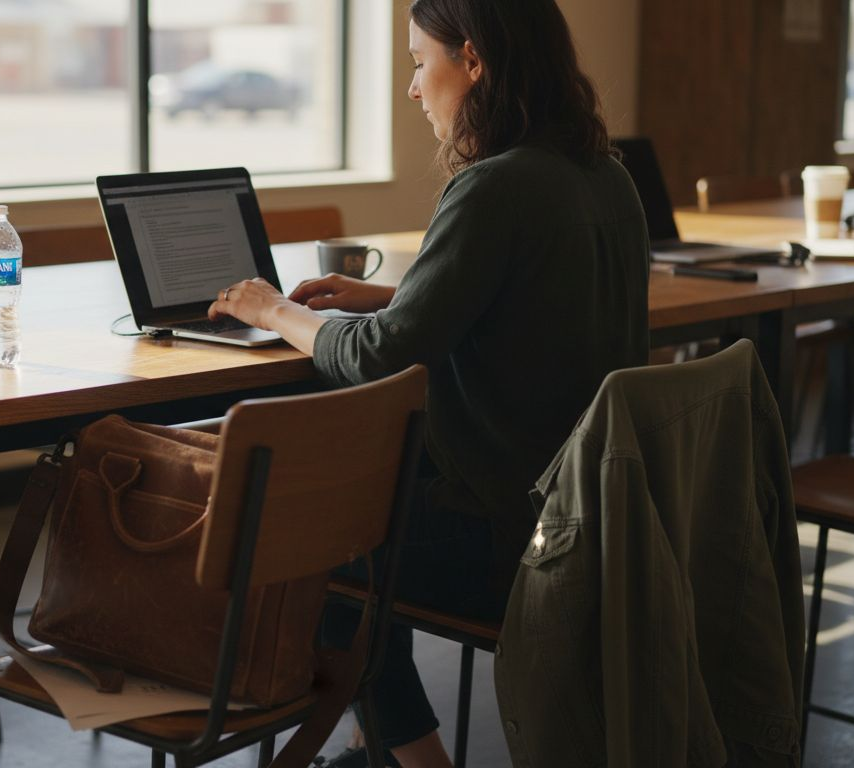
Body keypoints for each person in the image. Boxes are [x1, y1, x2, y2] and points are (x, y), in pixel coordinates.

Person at [208, 0, 650, 765]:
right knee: (372, 511)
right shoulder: (609, 177)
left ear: (473, 62)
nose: (414, 88)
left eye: (420, 61)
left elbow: (380, 357)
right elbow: (534, 300)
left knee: (318, 548)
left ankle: (413, 761)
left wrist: (274, 310)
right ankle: (373, 745)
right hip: (598, 520)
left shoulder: (495, 186)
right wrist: (395, 298)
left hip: (513, 540)